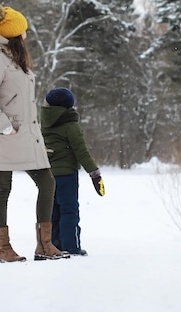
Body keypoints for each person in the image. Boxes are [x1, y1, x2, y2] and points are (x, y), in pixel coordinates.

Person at [0, 3, 69, 262]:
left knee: (47, 182)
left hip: (26, 136)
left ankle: (44, 245)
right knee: (3, 188)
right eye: (24, 31)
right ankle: (3, 249)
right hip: (6, 135)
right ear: (15, 34)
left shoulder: (15, 59)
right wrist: (4, 126)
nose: (27, 35)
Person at [40, 87, 105, 256]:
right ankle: (71, 246)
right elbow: (81, 152)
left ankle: (55, 245)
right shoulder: (70, 126)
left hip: (48, 175)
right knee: (69, 210)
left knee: (53, 211)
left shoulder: (44, 124)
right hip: (66, 175)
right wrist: (94, 173)